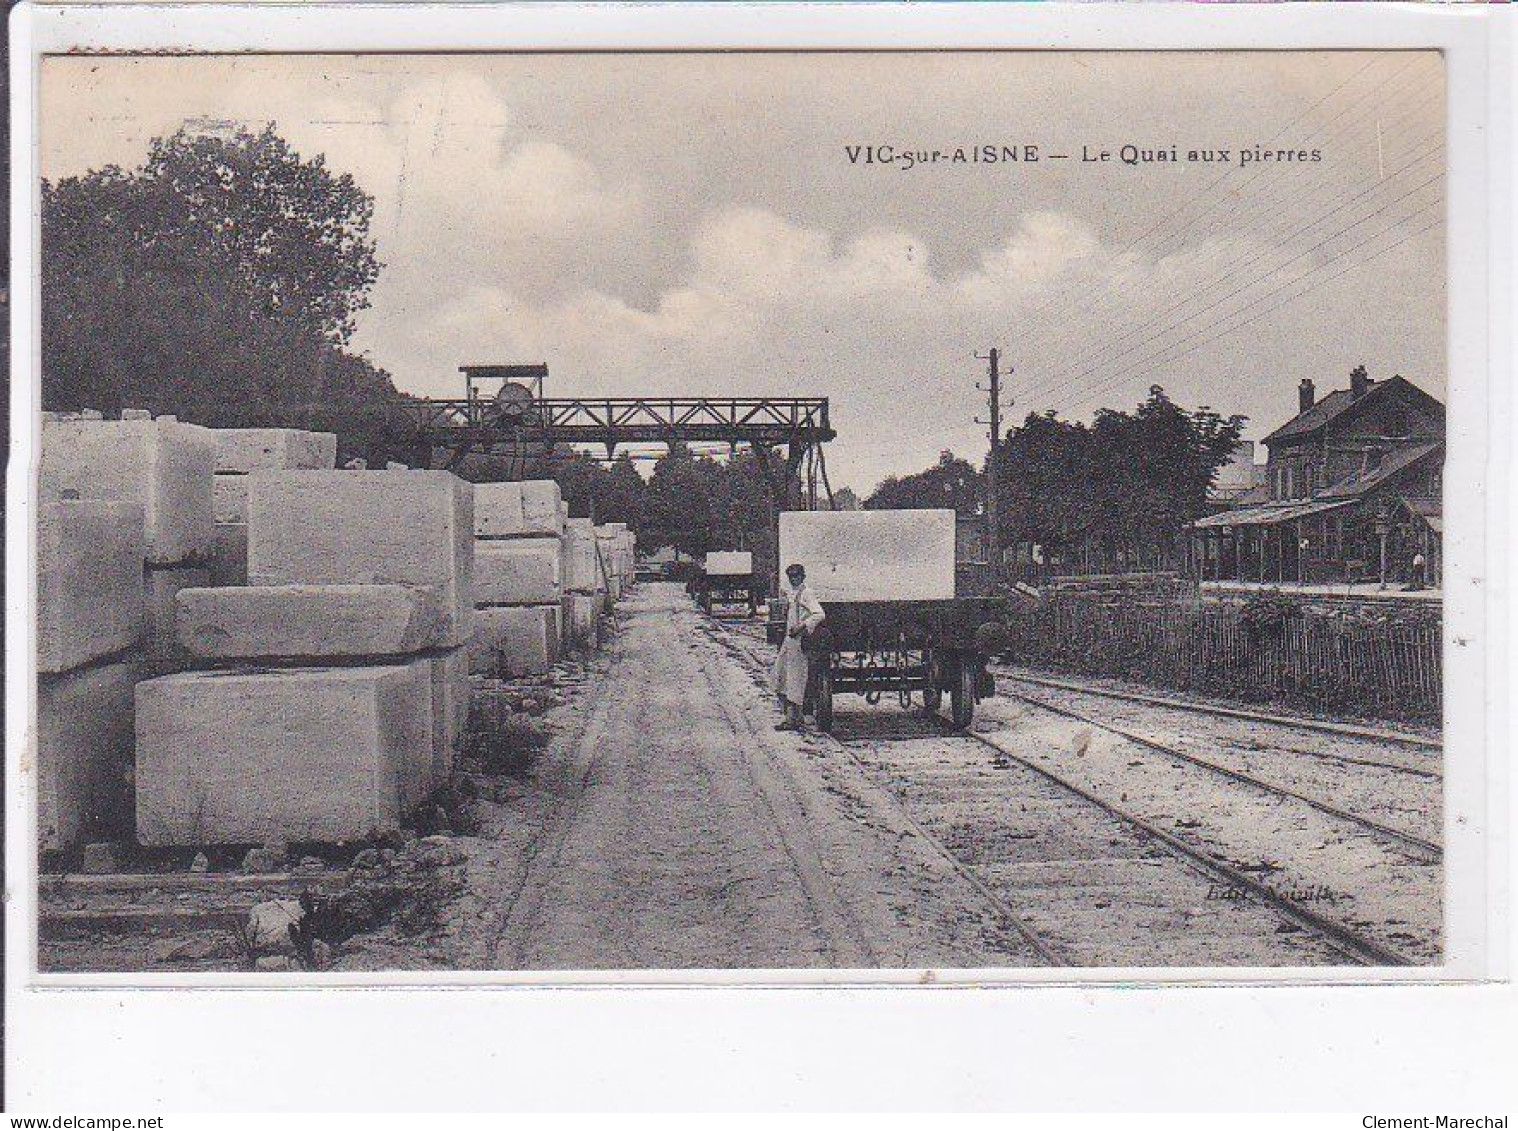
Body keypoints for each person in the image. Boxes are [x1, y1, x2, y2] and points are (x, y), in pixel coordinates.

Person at [773, 563, 825, 731]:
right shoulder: (793, 593)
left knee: (794, 680)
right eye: (791, 576)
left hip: (799, 641)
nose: (793, 579)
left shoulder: (807, 593)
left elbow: (819, 614)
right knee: (780, 676)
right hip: (789, 642)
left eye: (796, 576)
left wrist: (802, 626)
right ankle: (793, 716)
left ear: (803, 576)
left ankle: (793, 719)